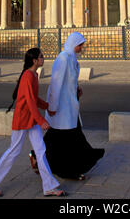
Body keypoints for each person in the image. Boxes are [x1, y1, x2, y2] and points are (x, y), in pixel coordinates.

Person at [0, 48, 67, 198]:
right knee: (13, 151)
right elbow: (29, 102)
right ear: (34, 60)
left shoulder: (33, 75)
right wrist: (41, 121)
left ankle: (49, 186)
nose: (43, 58)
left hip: (31, 119)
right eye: (41, 56)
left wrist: (48, 107)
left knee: (41, 151)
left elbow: (34, 98)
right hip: (23, 119)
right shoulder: (28, 76)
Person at [29, 32, 105, 180]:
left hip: (70, 106)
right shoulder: (63, 59)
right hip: (62, 107)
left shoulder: (73, 59)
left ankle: (39, 157)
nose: (81, 47)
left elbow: (69, 81)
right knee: (70, 137)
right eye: (80, 45)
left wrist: (76, 89)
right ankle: (69, 170)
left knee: (60, 137)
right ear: (73, 44)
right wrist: (52, 106)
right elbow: (56, 84)